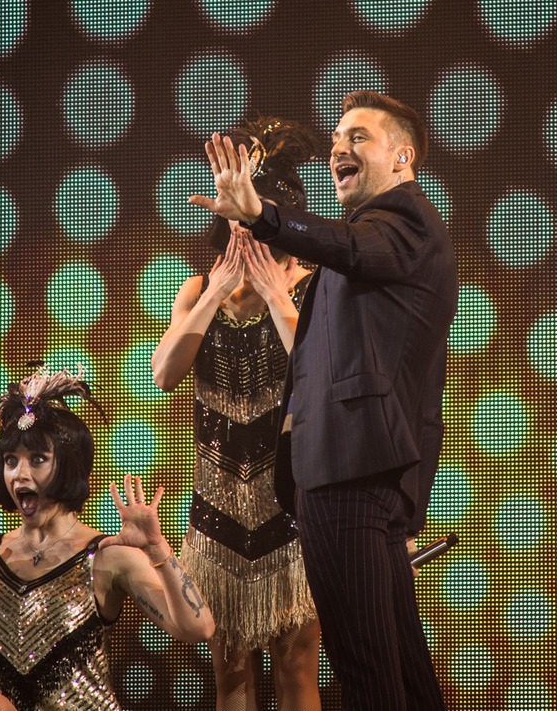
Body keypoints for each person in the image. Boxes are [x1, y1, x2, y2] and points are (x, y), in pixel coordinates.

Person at [191, 91, 457, 711]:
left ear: (403, 157)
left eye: (358, 136)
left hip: (349, 473)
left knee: (367, 672)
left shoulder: (404, 221)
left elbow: (346, 246)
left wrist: (262, 215)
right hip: (362, 475)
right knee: (403, 671)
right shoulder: (375, 241)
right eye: (336, 138)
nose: (339, 147)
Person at [0, 366, 215, 711]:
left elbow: (198, 629)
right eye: (10, 461)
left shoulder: (108, 557)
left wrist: (157, 549)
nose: (20, 474)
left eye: (37, 459)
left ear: (67, 466)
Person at [152, 117, 322, 711]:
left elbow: (320, 371)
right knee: (230, 676)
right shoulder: (199, 287)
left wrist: (275, 294)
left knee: (296, 667)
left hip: (290, 507)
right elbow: (164, 375)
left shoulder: (313, 286)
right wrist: (214, 294)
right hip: (218, 512)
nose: (240, 228)